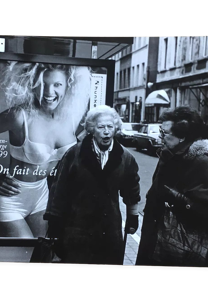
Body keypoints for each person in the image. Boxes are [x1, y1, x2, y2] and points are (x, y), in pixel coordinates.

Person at [0, 62, 91, 238]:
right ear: (31, 85)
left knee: (41, 254)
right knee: (26, 254)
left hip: (42, 198)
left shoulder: (70, 119)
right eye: (42, 84)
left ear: (67, 86)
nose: (48, 92)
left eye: (57, 84)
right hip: (9, 201)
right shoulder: (19, 116)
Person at [44, 105, 141, 265]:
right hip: (77, 229)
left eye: (110, 126)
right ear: (91, 129)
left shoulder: (125, 157)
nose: (106, 131)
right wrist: (55, 223)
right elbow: (59, 189)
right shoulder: (74, 154)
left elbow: (132, 190)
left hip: (109, 230)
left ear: (116, 128)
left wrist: (133, 216)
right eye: (101, 127)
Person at [135, 106, 208, 268]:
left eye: (165, 133)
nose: (161, 137)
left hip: (186, 251)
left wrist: (180, 200)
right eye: (161, 131)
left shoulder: (203, 164)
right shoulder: (168, 156)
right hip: (160, 245)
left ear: (182, 137)